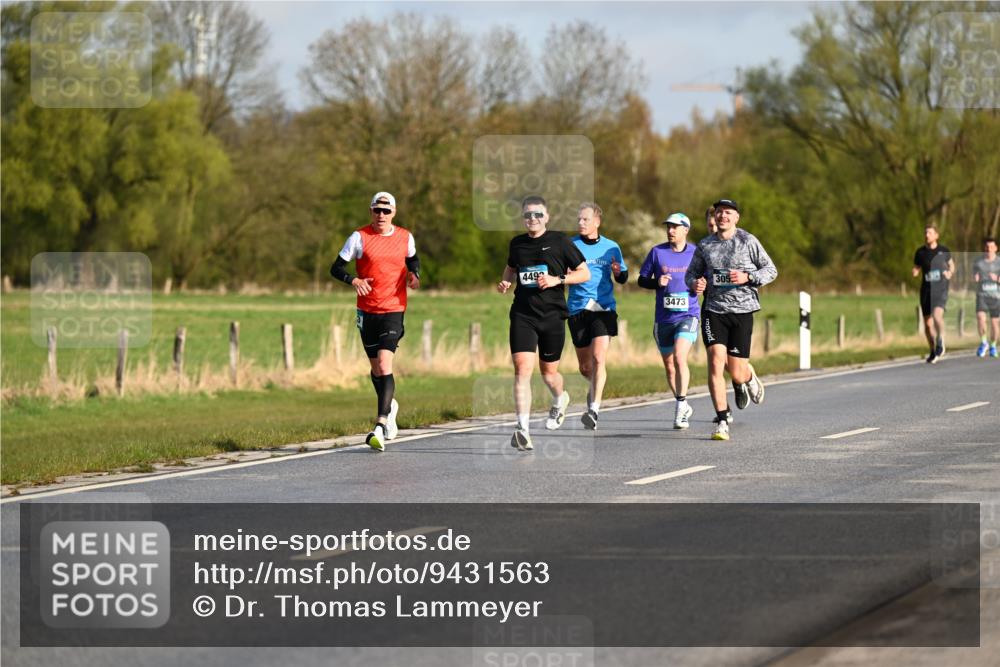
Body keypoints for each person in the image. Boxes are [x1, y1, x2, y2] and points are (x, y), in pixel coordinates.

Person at [498, 196, 590, 451]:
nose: (532, 219)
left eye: (537, 214)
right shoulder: (517, 244)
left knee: (548, 373)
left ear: (547, 217)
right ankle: (522, 428)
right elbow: (510, 268)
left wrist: (556, 280)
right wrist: (506, 281)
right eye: (528, 215)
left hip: (552, 315)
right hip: (523, 314)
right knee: (521, 369)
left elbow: (584, 272)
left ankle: (561, 398)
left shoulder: (560, 241)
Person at [330, 192, 420, 451]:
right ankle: (390, 406)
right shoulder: (359, 237)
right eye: (376, 210)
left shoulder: (405, 236)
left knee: (384, 362)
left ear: (394, 212)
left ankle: (380, 424)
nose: (381, 215)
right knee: (376, 369)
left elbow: (413, 259)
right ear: (370, 211)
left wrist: (415, 275)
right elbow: (336, 268)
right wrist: (354, 281)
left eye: (386, 211)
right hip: (366, 311)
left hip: (393, 308)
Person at [685, 199, 777, 441]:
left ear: (736, 218)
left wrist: (747, 277)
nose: (722, 216)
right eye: (718, 212)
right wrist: (696, 283)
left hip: (742, 311)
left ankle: (746, 377)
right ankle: (722, 419)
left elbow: (771, 270)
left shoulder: (748, 241)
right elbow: (691, 275)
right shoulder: (705, 245)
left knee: (735, 372)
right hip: (714, 310)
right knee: (715, 362)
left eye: (728, 213)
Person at [568, 203, 629, 430]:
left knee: (598, 358)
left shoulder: (611, 247)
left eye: (585, 219)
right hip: (577, 309)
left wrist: (618, 272)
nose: (581, 223)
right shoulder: (570, 245)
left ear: (597, 222)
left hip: (604, 309)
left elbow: (622, 277)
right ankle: (596, 384)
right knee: (586, 367)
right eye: (579, 220)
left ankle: (593, 409)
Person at [638, 212, 701, 429]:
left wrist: (700, 285)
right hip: (664, 318)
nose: (670, 230)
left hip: (688, 314)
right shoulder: (657, 252)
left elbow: (706, 279)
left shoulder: (696, 253)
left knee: (680, 356)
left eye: (675, 227)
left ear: (686, 229)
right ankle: (681, 401)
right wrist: (657, 282)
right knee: (670, 365)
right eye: (668, 227)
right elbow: (641, 280)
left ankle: (681, 406)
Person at [912, 224, 955, 363]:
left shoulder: (943, 251)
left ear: (936, 235)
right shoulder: (920, 253)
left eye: (930, 233)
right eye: (925, 233)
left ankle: (940, 340)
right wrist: (915, 271)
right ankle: (932, 351)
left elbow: (952, 265)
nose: (927, 235)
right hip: (926, 291)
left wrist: (950, 272)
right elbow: (917, 267)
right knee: (928, 325)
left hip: (940, 289)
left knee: (937, 316)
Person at [973, 236, 1000, 358]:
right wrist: (975, 278)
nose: (988, 249)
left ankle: (993, 345)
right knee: (980, 317)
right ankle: (984, 342)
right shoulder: (978, 262)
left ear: (996, 248)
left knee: (995, 323)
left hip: (996, 296)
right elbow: (974, 275)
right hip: (982, 295)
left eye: (991, 247)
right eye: (986, 247)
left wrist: (997, 279)